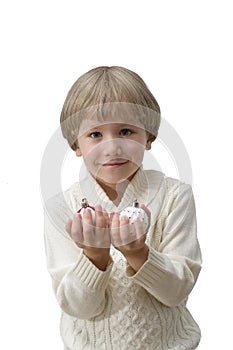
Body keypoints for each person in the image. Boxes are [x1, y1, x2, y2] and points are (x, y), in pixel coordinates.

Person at [44, 66, 202, 350]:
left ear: (148, 136)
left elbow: (177, 292)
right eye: (95, 134)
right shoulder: (62, 208)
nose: (113, 147)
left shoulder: (175, 196)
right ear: (75, 143)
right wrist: (94, 256)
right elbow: (77, 307)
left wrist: (138, 252)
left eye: (126, 131)